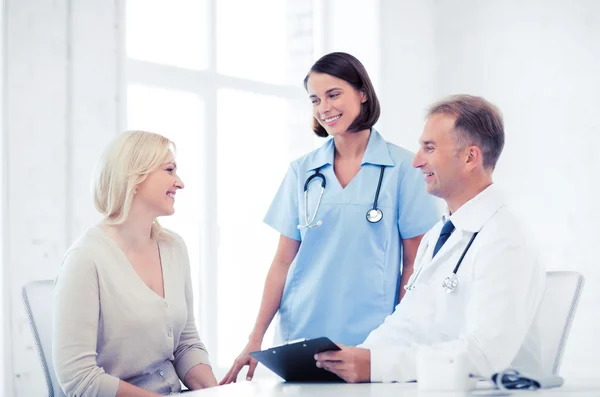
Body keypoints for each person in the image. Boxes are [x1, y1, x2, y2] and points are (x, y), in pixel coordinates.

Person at [221, 52, 440, 384]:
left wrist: (398, 339)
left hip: (370, 341)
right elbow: (282, 262)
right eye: (315, 99)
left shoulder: (404, 170)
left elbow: (414, 266)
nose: (324, 107)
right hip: (301, 337)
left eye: (334, 94)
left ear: (362, 93)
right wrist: (256, 338)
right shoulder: (302, 172)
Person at [314, 95, 546, 383]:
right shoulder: (439, 234)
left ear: (470, 157)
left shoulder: (506, 239)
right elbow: (408, 322)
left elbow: (484, 355)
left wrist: (378, 366)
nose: (416, 161)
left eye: (430, 148)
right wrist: (356, 357)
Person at [53, 131, 217, 397]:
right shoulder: (85, 258)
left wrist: (216, 393)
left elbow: (185, 344)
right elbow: (78, 379)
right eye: (169, 169)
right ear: (135, 177)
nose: (180, 183)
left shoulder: (174, 247)